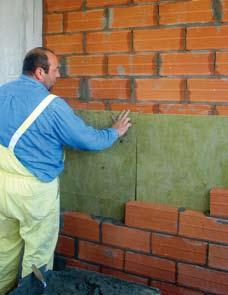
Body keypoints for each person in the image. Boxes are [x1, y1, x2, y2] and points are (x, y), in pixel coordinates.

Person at [0, 47, 131, 294]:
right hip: (33, 191)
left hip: (2, 185)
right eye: (56, 69)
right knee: (37, 254)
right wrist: (114, 132)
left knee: (3, 248)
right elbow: (86, 139)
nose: (59, 75)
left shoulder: (2, 92)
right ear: (40, 72)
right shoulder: (52, 106)